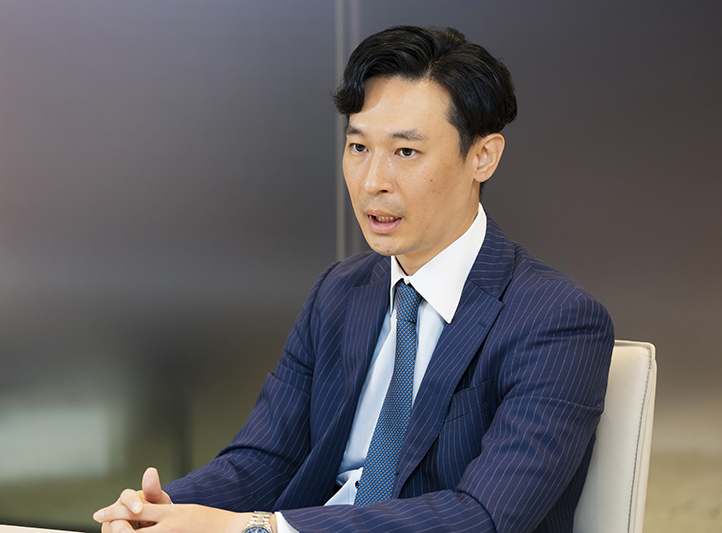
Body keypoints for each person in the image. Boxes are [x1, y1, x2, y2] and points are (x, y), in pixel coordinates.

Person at [94, 25, 614, 533]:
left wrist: (258, 529)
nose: (372, 182)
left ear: (483, 157)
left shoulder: (557, 320)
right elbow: (266, 457)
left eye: (406, 152)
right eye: (359, 147)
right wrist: (163, 510)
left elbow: (483, 516)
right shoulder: (340, 290)